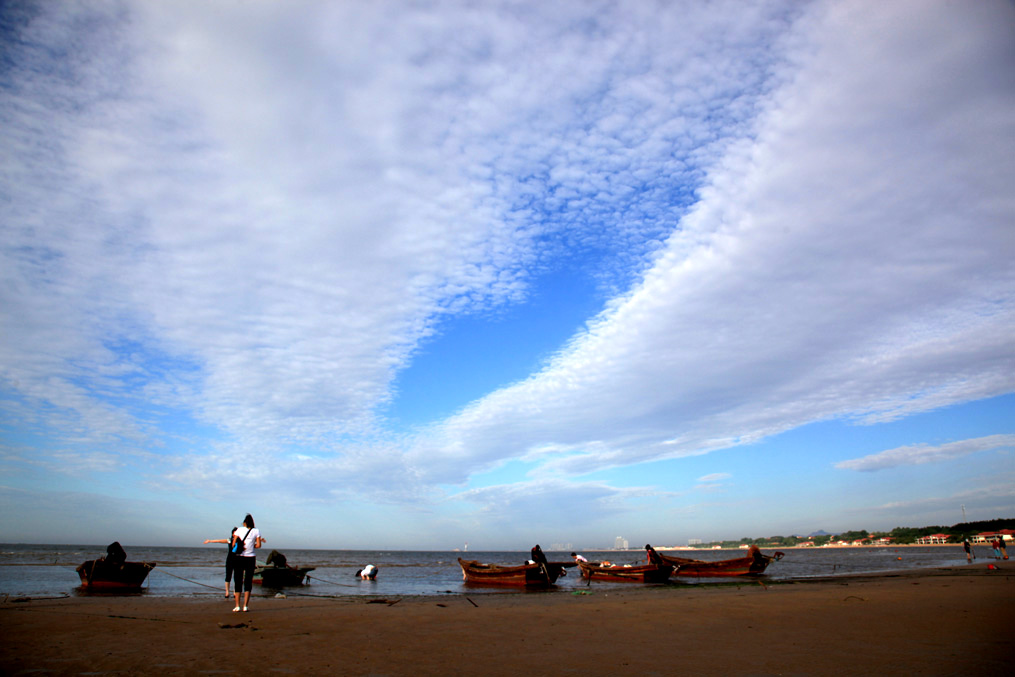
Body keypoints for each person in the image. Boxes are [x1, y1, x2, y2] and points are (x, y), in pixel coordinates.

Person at [231, 514, 264, 612]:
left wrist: (241, 546)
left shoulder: (239, 530)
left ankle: (237, 606)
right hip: (250, 558)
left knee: (238, 580)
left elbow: (233, 544)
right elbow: (258, 545)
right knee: (248, 581)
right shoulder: (256, 531)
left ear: (244, 522)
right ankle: (245, 606)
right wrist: (251, 545)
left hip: (239, 557)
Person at [204, 527, 238, 598]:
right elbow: (219, 541)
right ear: (232, 534)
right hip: (230, 560)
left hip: (238, 560)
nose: (236, 534)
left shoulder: (240, 541)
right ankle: (227, 592)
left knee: (236, 577)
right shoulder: (229, 540)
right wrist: (210, 541)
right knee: (228, 576)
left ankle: (235, 592)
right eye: (235, 533)